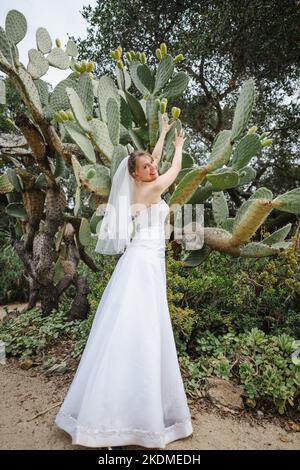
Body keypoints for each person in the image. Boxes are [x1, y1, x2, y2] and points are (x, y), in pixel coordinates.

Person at [54, 114, 193, 449]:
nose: (153, 168)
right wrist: (179, 147)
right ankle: (114, 421)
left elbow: (155, 162)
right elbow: (172, 171)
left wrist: (161, 134)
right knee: (139, 330)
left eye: (151, 165)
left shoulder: (138, 185)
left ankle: (117, 414)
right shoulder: (153, 189)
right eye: (146, 167)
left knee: (130, 328)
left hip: (142, 262)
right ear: (135, 173)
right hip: (144, 265)